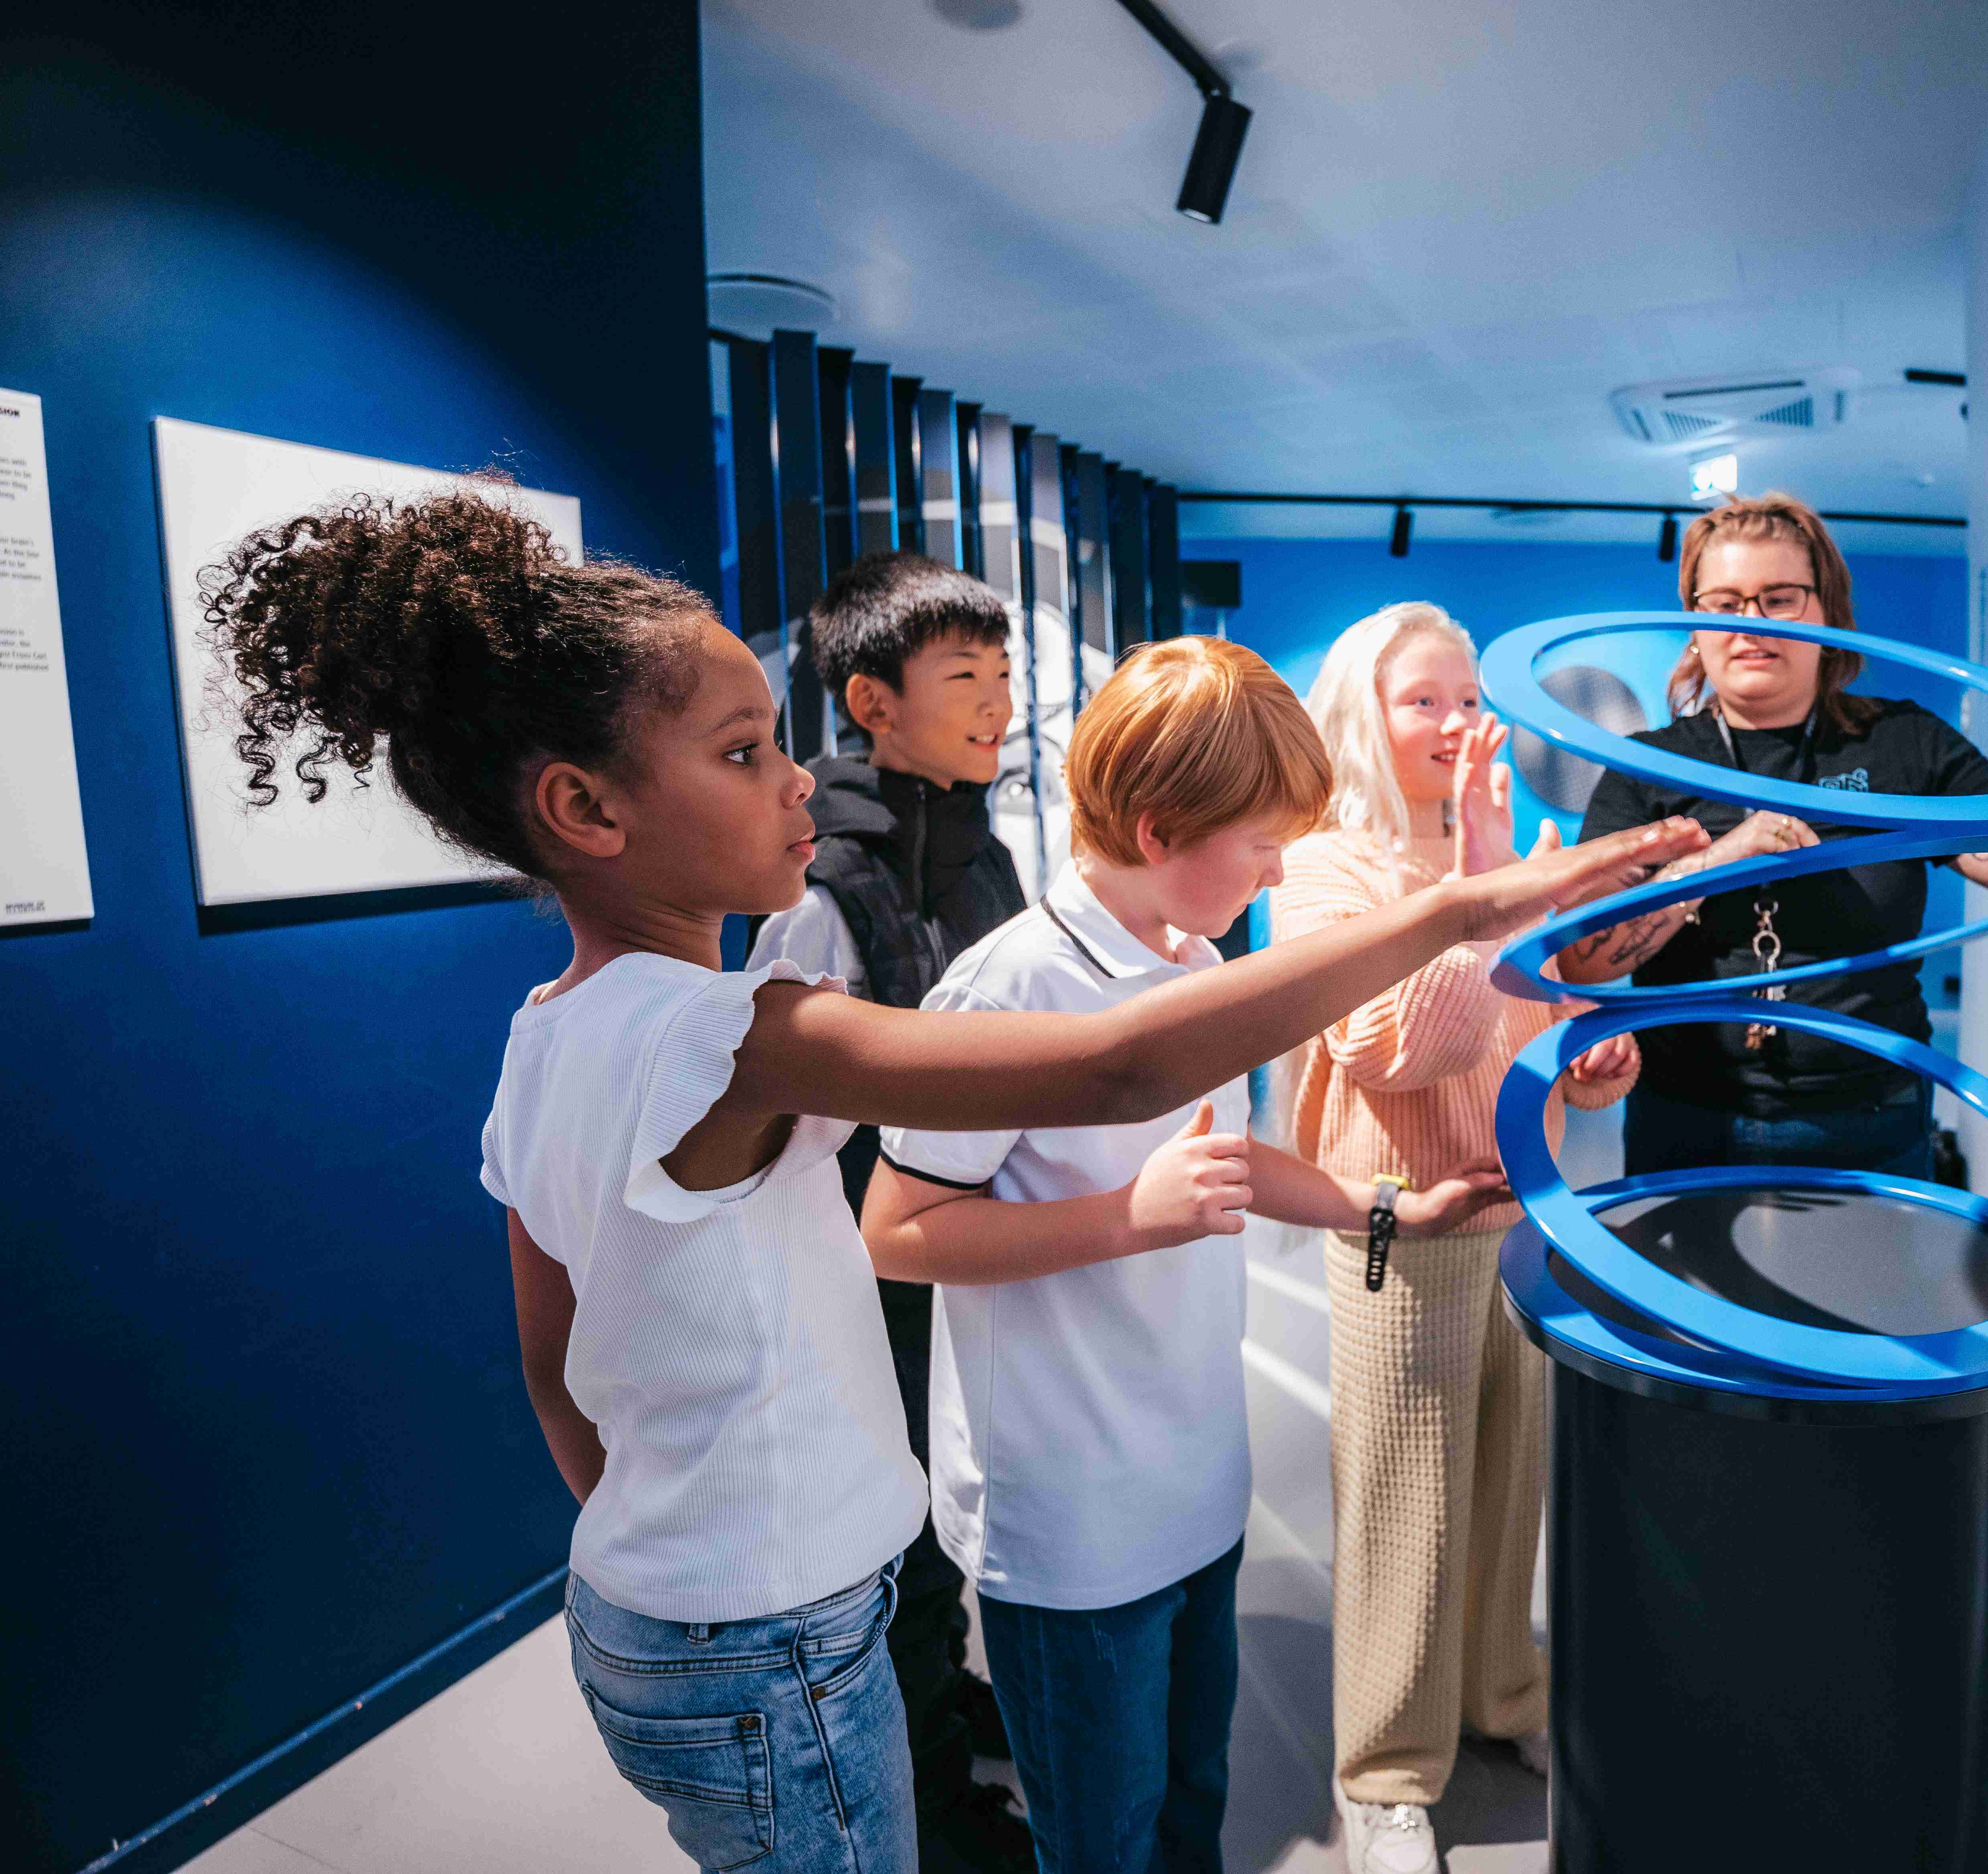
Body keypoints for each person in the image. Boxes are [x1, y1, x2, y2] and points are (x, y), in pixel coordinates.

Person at [199, 485, 1706, 1874]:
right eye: (743, 754)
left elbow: (555, 1369)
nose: (801, 782)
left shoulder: (546, 1036)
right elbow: (1112, 1076)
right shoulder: (740, 1034)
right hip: (784, 1629)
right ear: (586, 812)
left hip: (673, 1603)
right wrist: (1473, 901)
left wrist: (675, 1538)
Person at [861, 637, 1515, 1874]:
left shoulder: (1199, 962)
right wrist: (1126, 1219)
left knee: (1188, 1808)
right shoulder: (1003, 992)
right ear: (1162, 832)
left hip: (1197, 1486)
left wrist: (1383, 1210)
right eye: (1263, 843)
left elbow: (1223, 1159)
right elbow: (895, 1234)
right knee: (1101, 1839)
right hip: (1069, 1523)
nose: (1279, 870)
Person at [1273, 603, 1642, 1874]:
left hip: (1521, 1218)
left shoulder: (1508, 853)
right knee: (1404, 1504)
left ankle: (1505, 1699)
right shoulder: (1327, 871)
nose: (1455, 720)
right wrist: (1487, 898)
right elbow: (1394, 1045)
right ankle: (1384, 1777)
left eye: (1466, 694)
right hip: (1399, 1228)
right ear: (1363, 715)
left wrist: (1597, 1054)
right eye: (1421, 698)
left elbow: (1564, 1035)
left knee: (1507, 1488)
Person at [1567, 490, 1988, 1181]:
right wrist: (1717, 862)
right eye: (1723, 603)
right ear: (1694, 622)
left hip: (1872, 1122)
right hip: (1687, 1121)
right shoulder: (1646, 766)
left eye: (1779, 598)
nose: (1751, 624)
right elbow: (1584, 959)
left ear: (1828, 612)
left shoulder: (1905, 746)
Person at [744, 552, 1030, 1872]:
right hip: (868, 1261)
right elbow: (778, 1107)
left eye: (1002, 671)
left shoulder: (981, 846)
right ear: (870, 699)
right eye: (964, 678)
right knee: (895, 1513)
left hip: (966, 1243)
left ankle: (946, 1690)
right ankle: (926, 1784)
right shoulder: (819, 879)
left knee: (956, 1481)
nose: (999, 703)